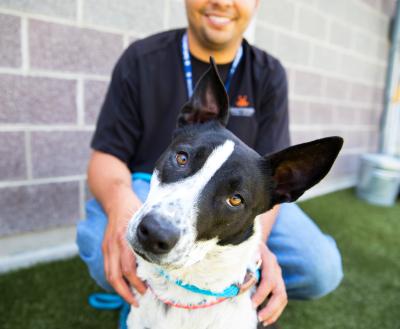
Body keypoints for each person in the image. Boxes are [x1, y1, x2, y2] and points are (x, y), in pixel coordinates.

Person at [77, 0, 343, 326]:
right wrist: (120, 207)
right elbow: (105, 155)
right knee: (97, 241)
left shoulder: (268, 73)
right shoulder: (142, 58)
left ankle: (215, 293)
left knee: (320, 267)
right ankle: (146, 292)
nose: (221, 1)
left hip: (239, 200)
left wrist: (255, 253)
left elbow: (269, 189)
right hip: (145, 180)